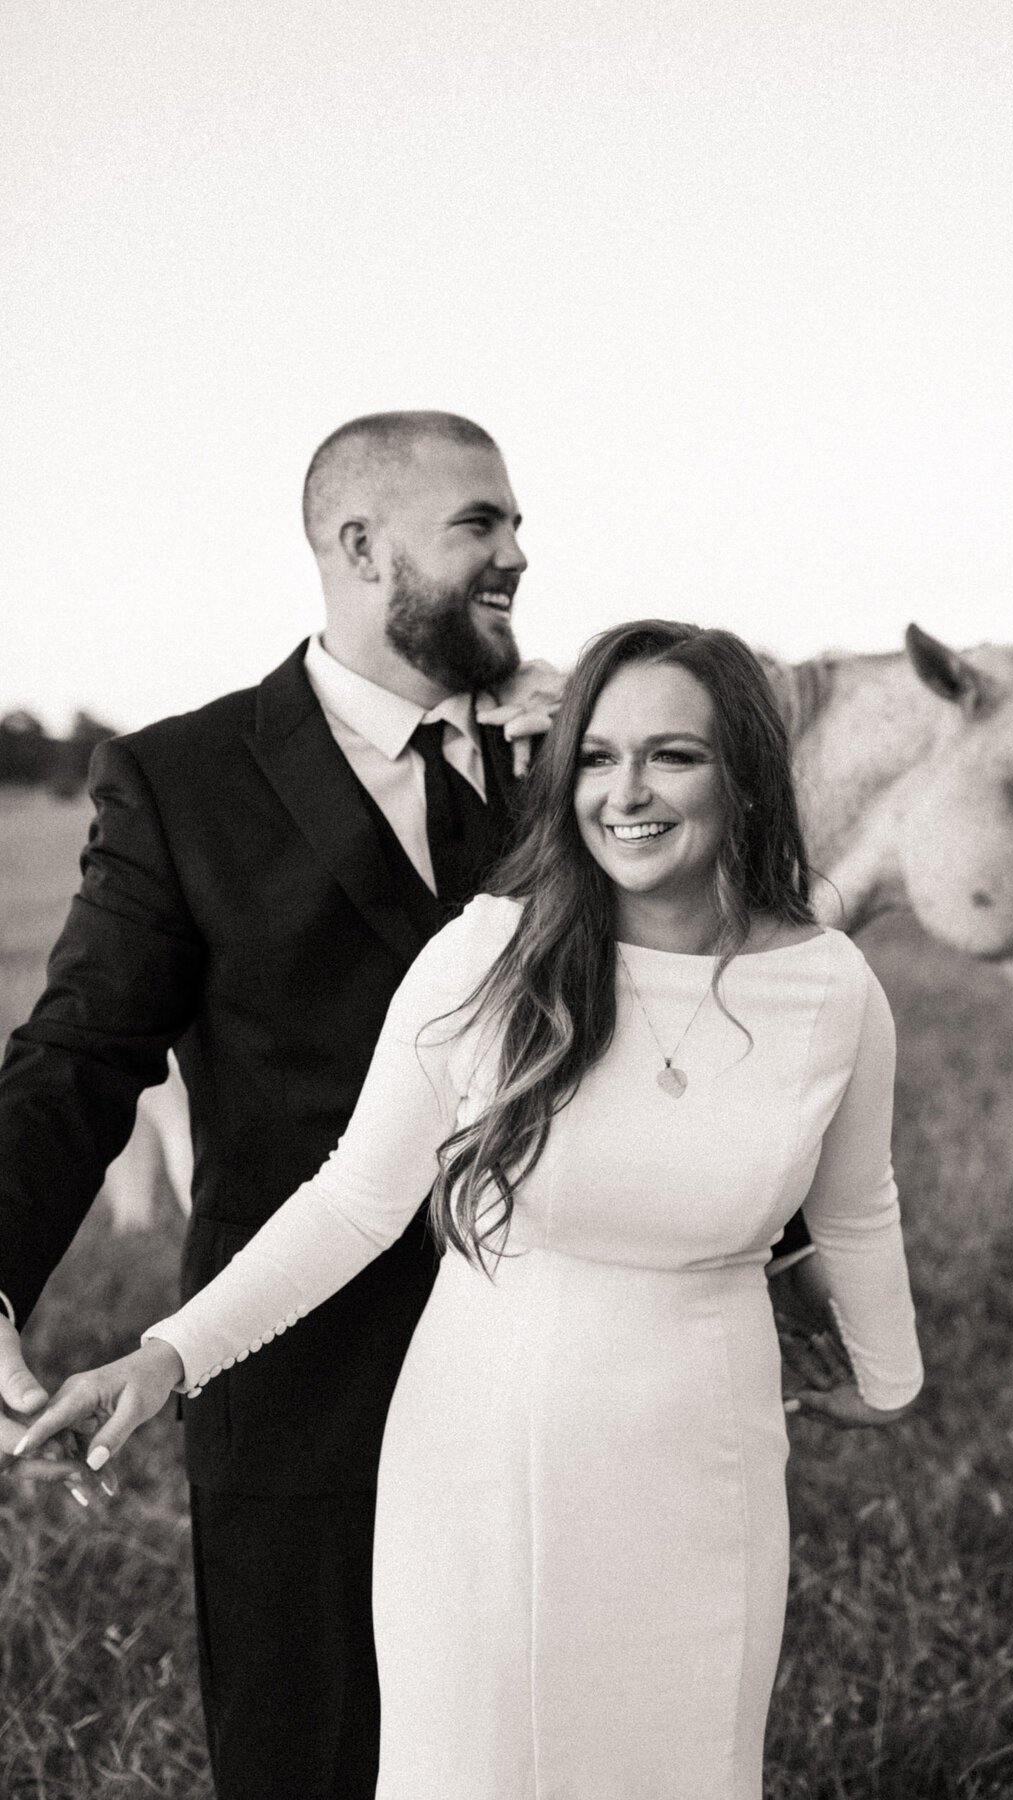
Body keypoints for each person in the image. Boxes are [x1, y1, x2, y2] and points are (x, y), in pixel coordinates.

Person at [18, 619, 924, 1800]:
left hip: (708, 1461)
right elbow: (353, 1200)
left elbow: (860, 1210)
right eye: (596, 758)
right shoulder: (489, 952)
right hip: (482, 1457)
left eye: (672, 757)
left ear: (744, 774)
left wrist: (889, 1370)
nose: (627, 793)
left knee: (686, 1763)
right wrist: (165, 1357)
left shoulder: (829, 984)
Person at [0, 410, 567, 1799]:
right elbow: (82, 1053)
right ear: (363, 547)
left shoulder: (576, 766)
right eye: (481, 524)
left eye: (516, 524)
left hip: (562, 1369)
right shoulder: (184, 781)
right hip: (301, 1378)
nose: (520, 555)